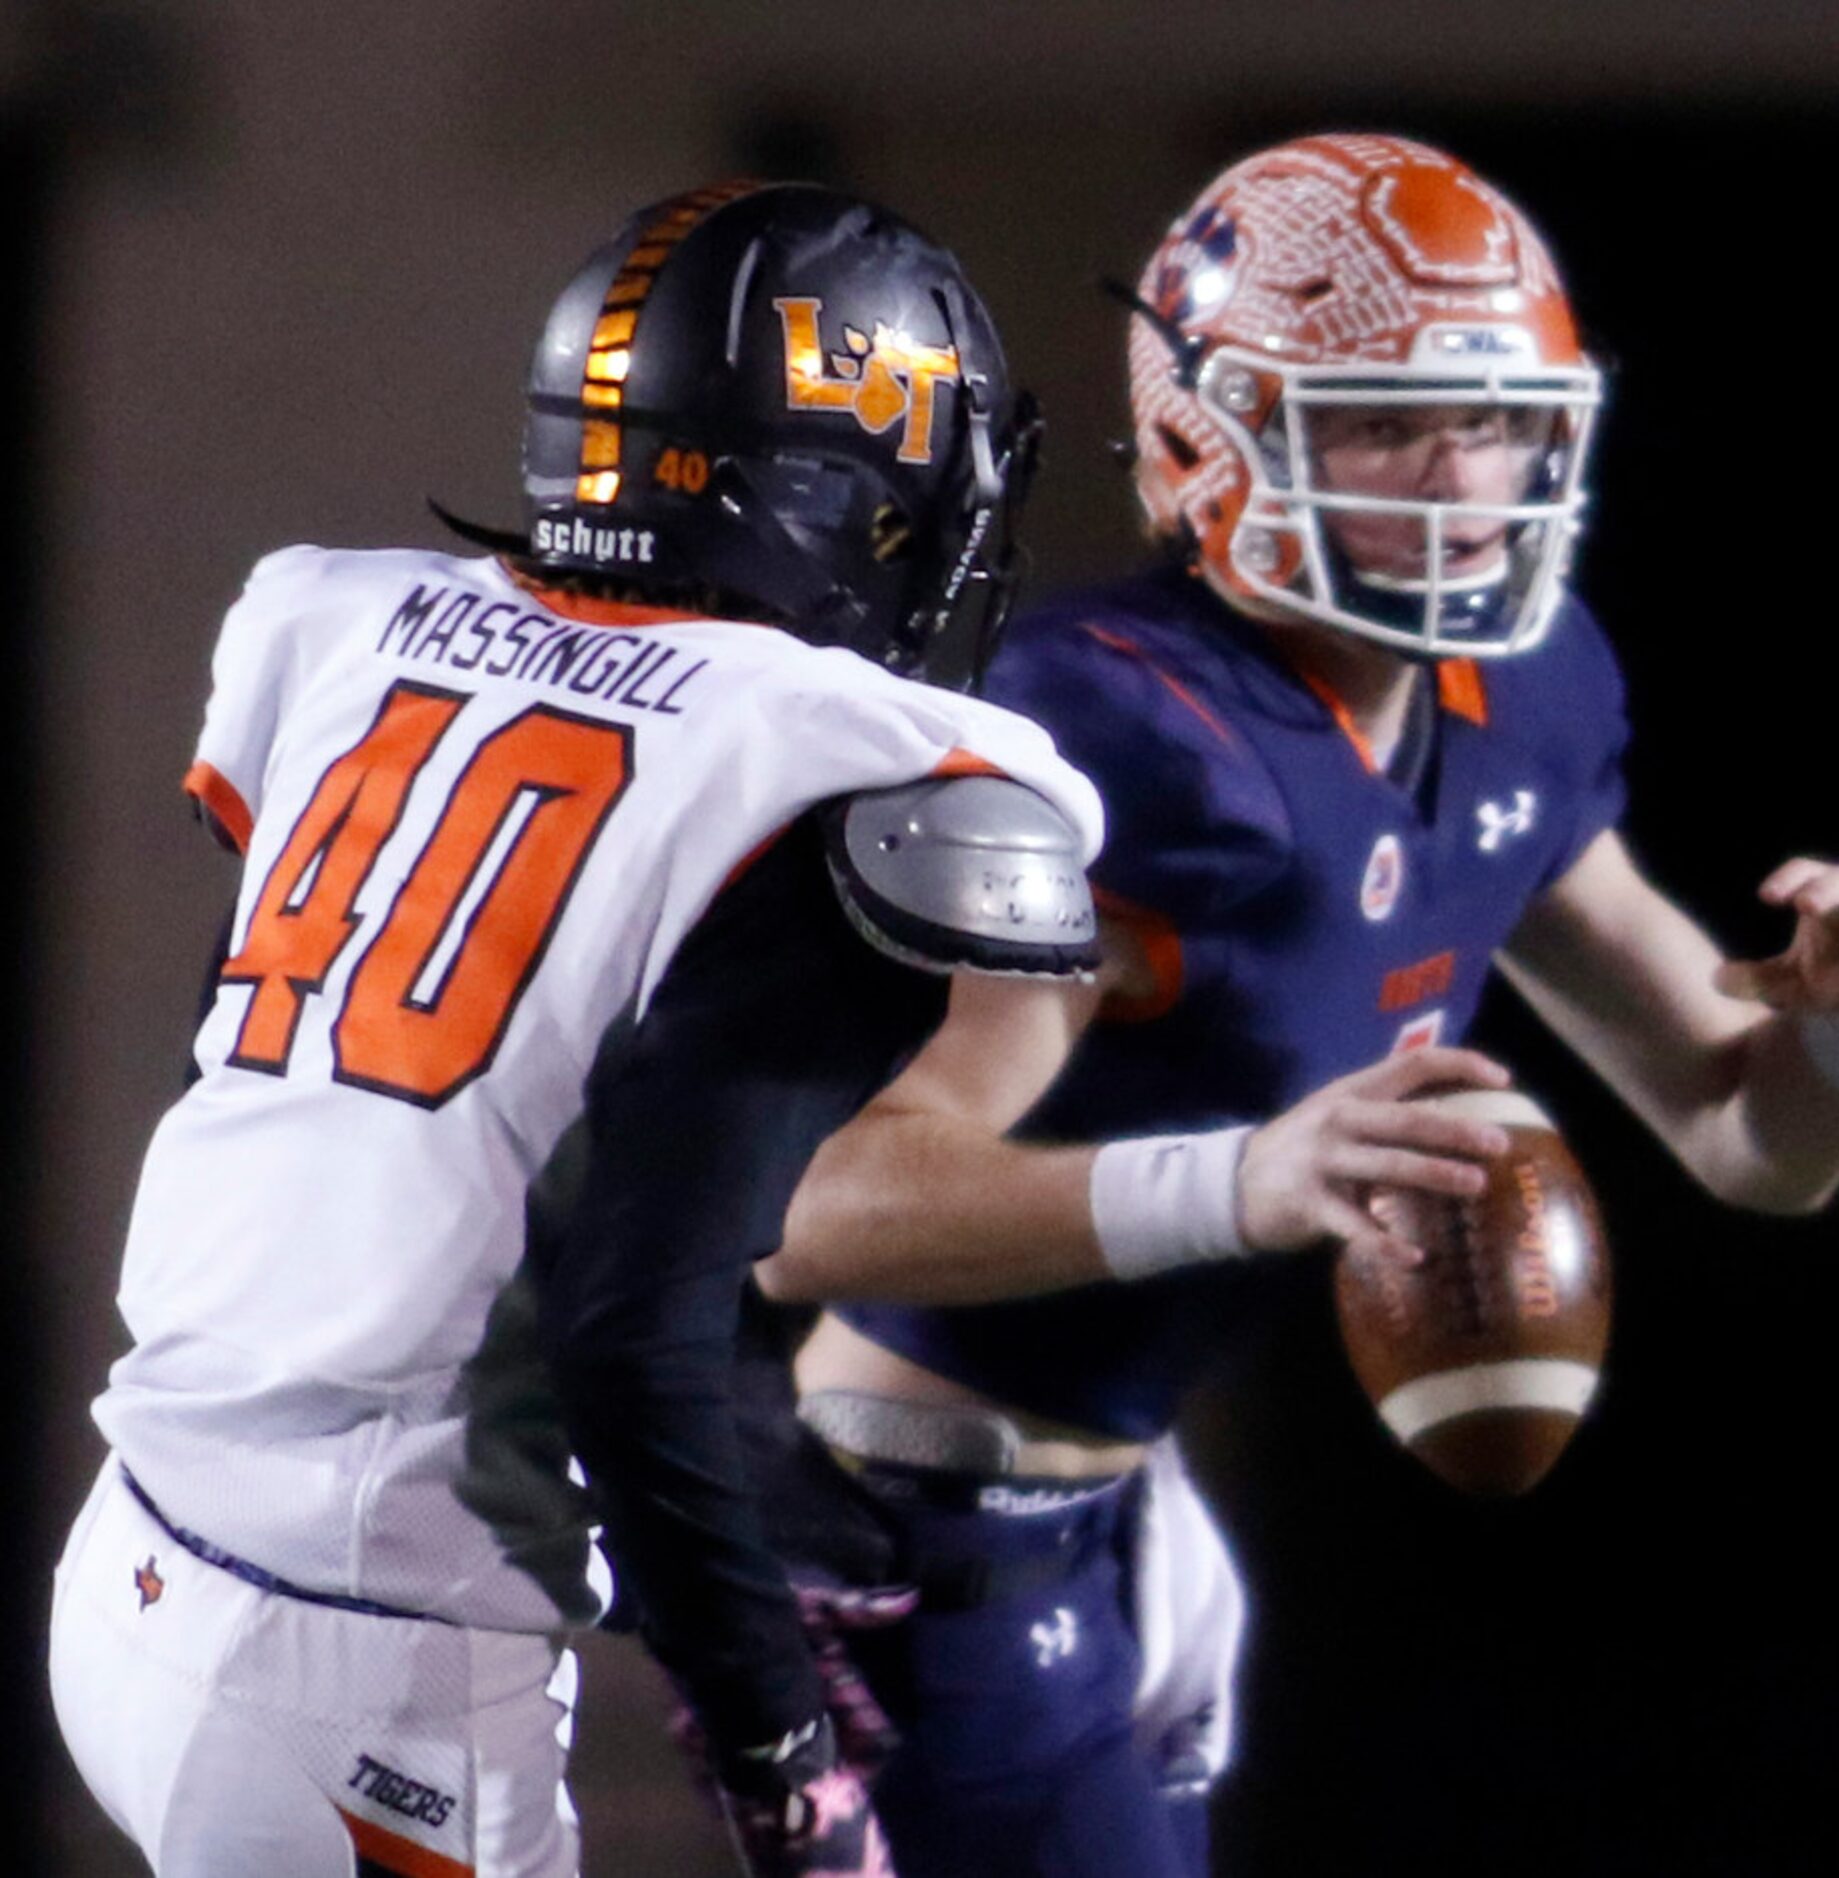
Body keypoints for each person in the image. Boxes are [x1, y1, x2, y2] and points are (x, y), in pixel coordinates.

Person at [740, 134, 1839, 1878]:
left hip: (1109, 1497)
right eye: (1388, 419)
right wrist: (1246, 1179)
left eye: (1494, 419)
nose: (1464, 474)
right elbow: (820, 1215)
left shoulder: (1519, 702)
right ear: (1208, 439)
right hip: (914, 1515)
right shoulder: (1125, 740)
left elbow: (1746, 1134)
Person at [46, 179, 1104, 1878]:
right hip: (366, 1668)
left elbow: (320, 1130)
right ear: (857, 487)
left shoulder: (353, 624)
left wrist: (726, 1450)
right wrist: (780, 1744)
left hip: (134, 1560)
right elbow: (628, 1327)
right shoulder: (834, 754)